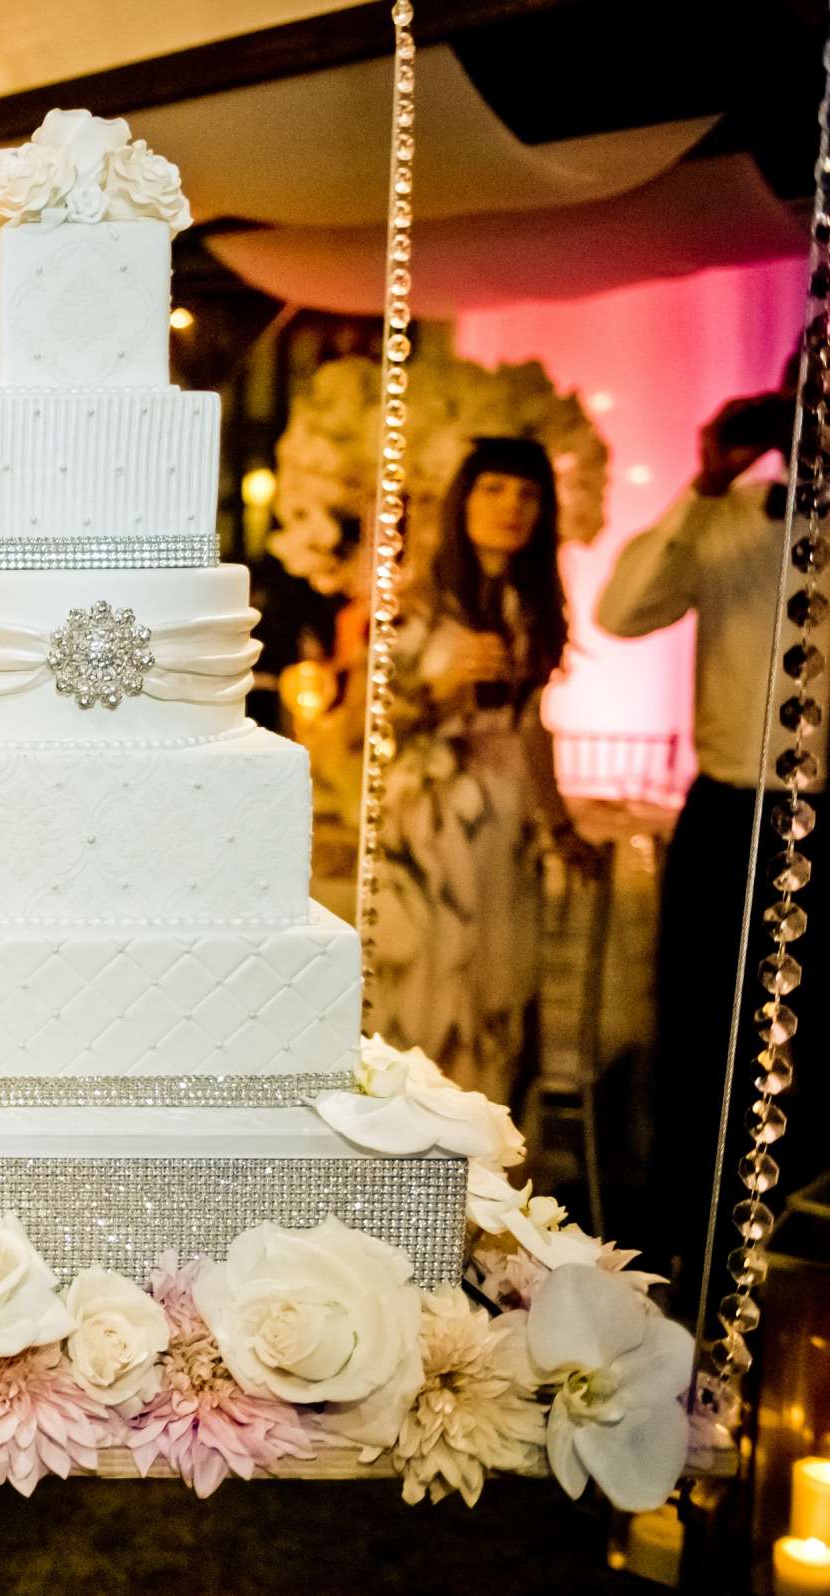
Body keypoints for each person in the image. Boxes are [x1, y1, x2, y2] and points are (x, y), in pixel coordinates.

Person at [597, 354, 822, 1312]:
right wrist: (704, 483)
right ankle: (692, 1258)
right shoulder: (726, 523)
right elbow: (622, 610)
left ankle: (800, 1260)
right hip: (732, 814)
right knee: (700, 1039)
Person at [376, 437, 576, 1103]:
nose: (510, 507)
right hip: (428, 817)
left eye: (526, 494)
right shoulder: (414, 602)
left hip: (505, 818)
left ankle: (478, 1164)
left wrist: (560, 822)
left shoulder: (532, 605)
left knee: (497, 983)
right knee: (428, 989)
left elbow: (530, 726)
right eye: (492, 489)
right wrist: (442, 690)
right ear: (464, 500)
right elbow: (359, 726)